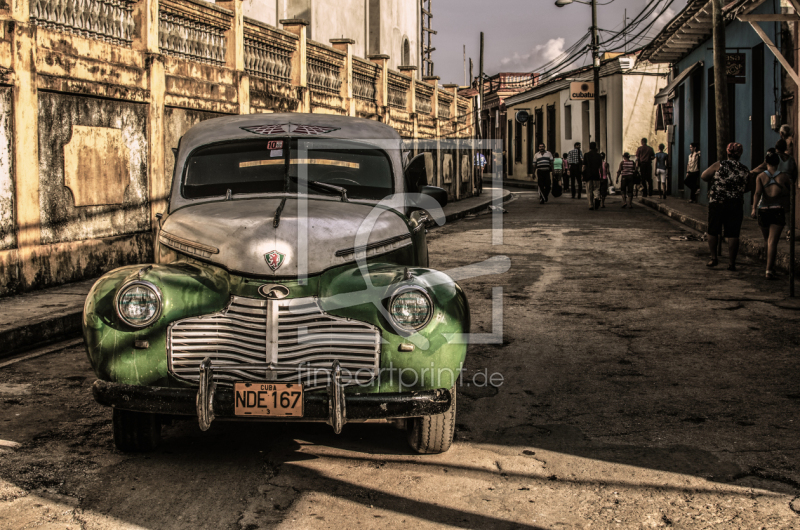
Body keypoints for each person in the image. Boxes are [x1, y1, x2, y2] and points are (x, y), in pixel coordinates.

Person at [701, 142, 749, 271]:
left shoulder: (719, 164)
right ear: (740, 154)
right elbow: (747, 187)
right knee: (733, 234)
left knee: (713, 230)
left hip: (717, 202)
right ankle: (732, 263)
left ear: (727, 153)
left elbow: (704, 176)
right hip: (735, 204)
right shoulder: (744, 169)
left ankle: (713, 258)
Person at [752, 150, 792, 279]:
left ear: (766, 162)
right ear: (778, 163)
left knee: (766, 239)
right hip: (777, 210)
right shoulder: (784, 177)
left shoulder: (761, 177)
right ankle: (769, 269)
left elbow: (757, 193)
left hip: (763, 210)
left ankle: (767, 264)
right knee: (772, 241)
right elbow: (790, 193)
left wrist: (753, 209)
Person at [582, 141, 603, 210]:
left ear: (590, 147)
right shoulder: (599, 155)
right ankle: (597, 198)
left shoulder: (586, 155)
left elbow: (584, 166)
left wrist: (582, 174)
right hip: (596, 174)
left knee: (589, 190)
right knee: (596, 188)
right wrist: (601, 176)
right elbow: (600, 167)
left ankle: (590, 205)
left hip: (588, 175)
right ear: (595, 147)